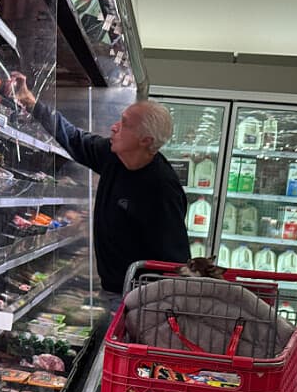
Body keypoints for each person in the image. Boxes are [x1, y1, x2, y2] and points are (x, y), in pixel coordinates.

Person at [10, 73, 190, 313]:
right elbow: (74, 138)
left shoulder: (161, 188)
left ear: (145, 140)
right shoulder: (113, 155)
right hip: (113, 291)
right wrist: (31, 103)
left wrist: (156, 311)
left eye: (125, 124)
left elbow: (173, 260)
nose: (114, 127)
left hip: (142, 302)